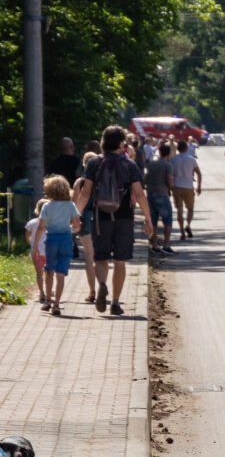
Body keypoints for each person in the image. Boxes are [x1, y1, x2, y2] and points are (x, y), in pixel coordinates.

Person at [78, 125, 154, 316]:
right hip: (124, 217)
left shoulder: (94, 163)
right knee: (120, 262)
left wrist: (76, 215)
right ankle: (115, 303)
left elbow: (85, 193)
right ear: (121, 143)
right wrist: (148, 219)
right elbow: (140, 194)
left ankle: (102, 284)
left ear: (103, 141)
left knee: (100, 258)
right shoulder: (129, 164)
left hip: (100, 217)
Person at [39, 175, 81, 317]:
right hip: (66, 239)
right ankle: (56, 304)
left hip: (52, 239)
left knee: (49, 270)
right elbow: (77, 225)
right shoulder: (70, 205)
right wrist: (73, 228)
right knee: (61, 272)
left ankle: (48, 300)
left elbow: (41, 225)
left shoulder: (46, 206)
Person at [70, 152, 101, 301]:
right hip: (102, 218)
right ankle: (102, 285)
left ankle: (92, 291)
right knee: (101, 256)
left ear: (84, 164)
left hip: (85, 219)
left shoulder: (80, 182)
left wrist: (73, 221)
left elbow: (74, 203)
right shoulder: (103, 179)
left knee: (89, 256)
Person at [143, 142, 177, 256]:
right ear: (169, 153)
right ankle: (166, 245)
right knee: (167, 219)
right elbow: (170, 182)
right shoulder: (168, 165)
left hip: (150, 194)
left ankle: (154, 245)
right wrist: (172, 189)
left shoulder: (151, 164)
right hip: (162, 194)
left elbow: (145, 179)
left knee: (153, 220)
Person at [170, 139, 201, 239]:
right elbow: (198, 173)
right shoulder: (191, 159)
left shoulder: (173, 160)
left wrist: (170, 187)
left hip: (177, 187)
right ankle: (188, 225)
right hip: (188, 187)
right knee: (190, 209)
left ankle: (182, 232)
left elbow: (170, 175)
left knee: (179, 210)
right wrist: (199, 186)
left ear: (178, 149)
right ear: (186, 148)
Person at [22, 200, 47, 307]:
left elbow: (27, 236)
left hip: (36, 251)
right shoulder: (51, 222)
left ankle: (41, 292)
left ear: (37, 209)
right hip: (48, 251)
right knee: (49, 272)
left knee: (39, 273)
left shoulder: (31, 223)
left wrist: (32, 244)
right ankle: (49, 289)